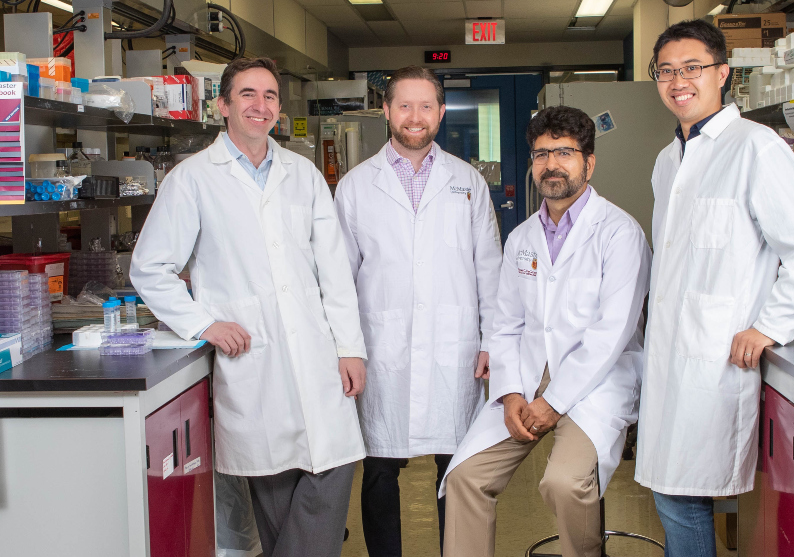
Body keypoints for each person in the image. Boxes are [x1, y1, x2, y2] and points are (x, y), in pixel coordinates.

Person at [130, 57, 367, 557]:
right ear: (223, 105)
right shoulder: (192, 179)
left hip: (318, 353)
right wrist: (203, 323)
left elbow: (335, 272)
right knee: (274, 492)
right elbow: (150, 267)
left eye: (270, 97)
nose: (261, 106)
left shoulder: (302, 175)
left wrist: (350, 347)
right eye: (248, 95)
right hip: (253, 359)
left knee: (335, 466)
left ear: (279, 109)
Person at [635, 20, 794, 557]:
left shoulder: (756, 147)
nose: (679, 81)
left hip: (717, 357)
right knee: (673, 493)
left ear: (723, 72)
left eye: (693, 68)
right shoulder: (667, 159)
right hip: (673, 356)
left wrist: (770, 325)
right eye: (667, 71)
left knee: (681, 498)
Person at [441, 105, 652, 557]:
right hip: (529, 374)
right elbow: (504, 326)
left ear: (589, 163)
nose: (551, 164)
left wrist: (553, 402)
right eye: (540, 154)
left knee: (562, 482)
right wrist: (512, 393)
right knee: (465, 479)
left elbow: (610, 333)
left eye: (564, 153)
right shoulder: (521, 239)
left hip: (596, 380)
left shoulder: (619, 234)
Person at [334, 65, 502, 557]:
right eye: (403, 105)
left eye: (425, 105)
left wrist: (492, 339)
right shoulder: (356, 186)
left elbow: (489, 268)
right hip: (382, 348)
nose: (414, 116)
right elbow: (339, 280)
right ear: (385, 111)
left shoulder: (467, 182)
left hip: (456, 348)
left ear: (441, 112)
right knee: (380, 468)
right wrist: (346, 347)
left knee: (456, 468)